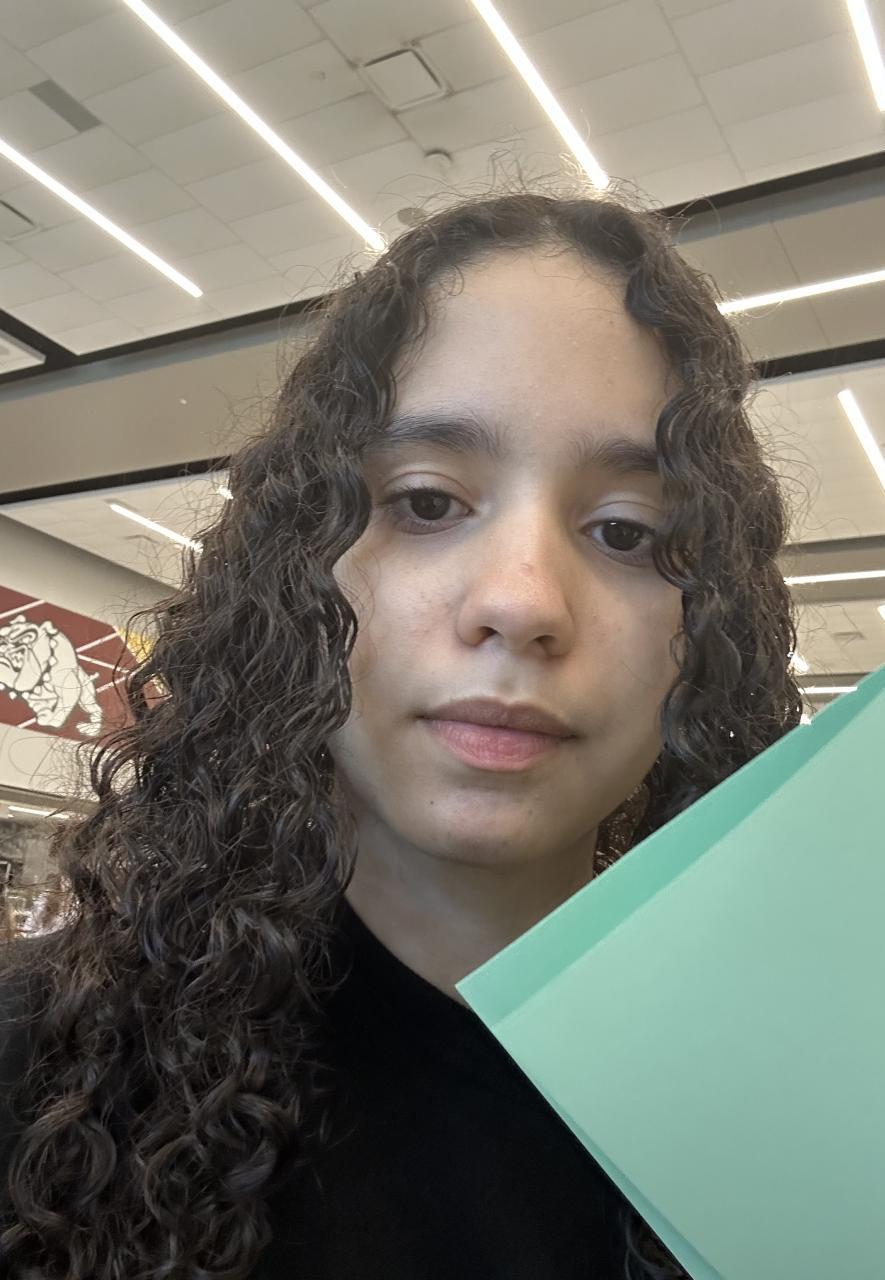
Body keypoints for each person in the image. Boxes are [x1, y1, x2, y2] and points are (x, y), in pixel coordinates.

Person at [0, 187, 803, 1279]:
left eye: (626, 531)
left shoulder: (823, 1116)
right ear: (298, 570)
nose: (521, 601)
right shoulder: (41, 1071)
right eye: (426, 503)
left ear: (708, 630)